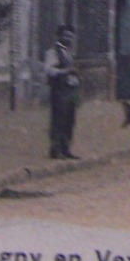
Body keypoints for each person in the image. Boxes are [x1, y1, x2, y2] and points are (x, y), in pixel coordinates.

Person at [43, 25, 81, 160]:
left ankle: (66, 149)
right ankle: (55, 149)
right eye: (66, 36)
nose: (68, 39)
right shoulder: (52, 52)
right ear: (59, 36)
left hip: (71, 90)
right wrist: (66, 71)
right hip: (59, 90)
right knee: (58, 120)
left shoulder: (70, 52)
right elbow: (49, 70)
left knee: (70, 120)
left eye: (71, 36)